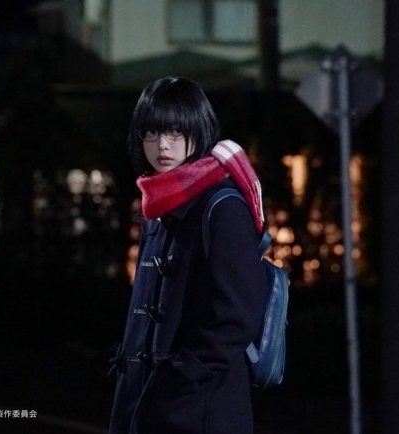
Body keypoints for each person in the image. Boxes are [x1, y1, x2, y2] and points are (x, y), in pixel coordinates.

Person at [108, 76, 269, 434]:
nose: (163, 145)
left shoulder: (222, 206)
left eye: (176, 131)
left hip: (198, 408)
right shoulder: (158, 203)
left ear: (200, 130)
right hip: (149, 400)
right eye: (151, 132)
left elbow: (239, 313)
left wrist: (182, 376)